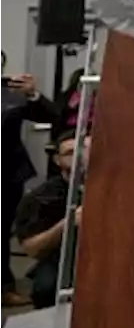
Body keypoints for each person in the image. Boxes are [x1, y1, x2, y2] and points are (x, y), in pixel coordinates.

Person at [1, 73, 60, 308]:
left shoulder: (10, 90)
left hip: (6, 174)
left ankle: (4, 289)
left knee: (1, 231)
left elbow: (51, 116)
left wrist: (33, 94)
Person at [14, 131, 87, 309]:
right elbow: (31, 248)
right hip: (59, 257)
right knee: (46, 289)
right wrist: (66, 224)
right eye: (69, 153)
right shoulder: (41, 197)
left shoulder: (111, 187)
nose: (78, 157)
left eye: (82, 150)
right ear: (57, 160)